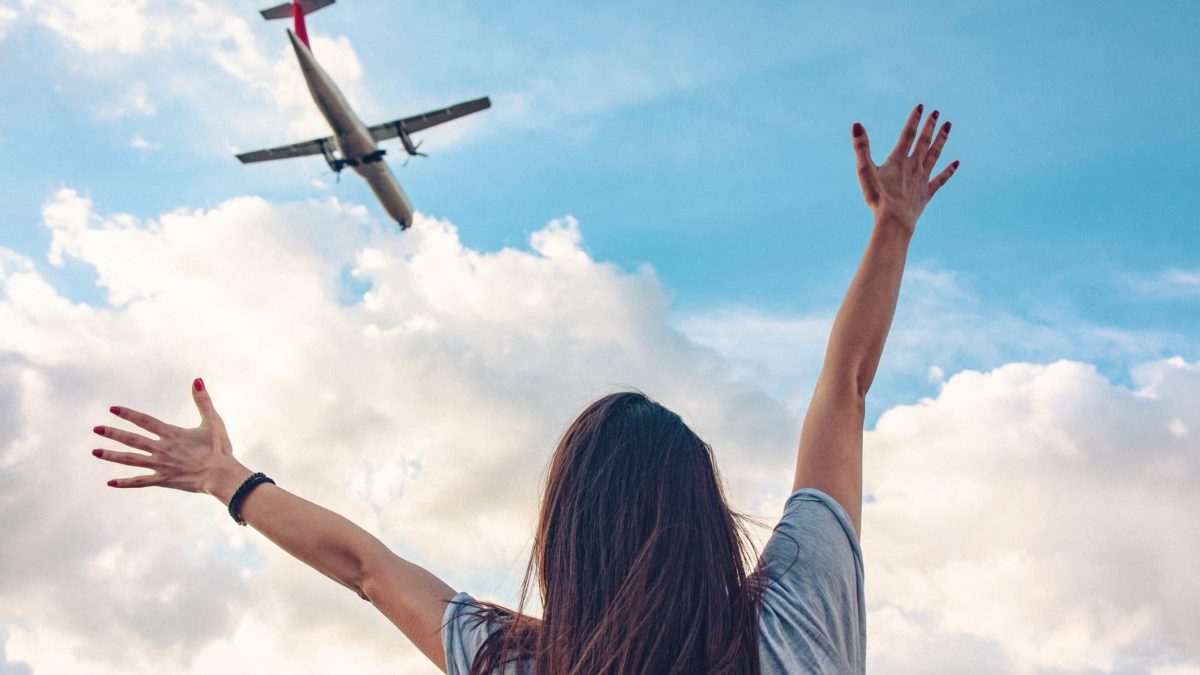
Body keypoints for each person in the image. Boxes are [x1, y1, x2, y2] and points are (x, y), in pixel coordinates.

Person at [92, 104, 958, 674]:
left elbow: (367, 570)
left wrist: (228, 480)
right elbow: (842, 390)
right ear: (705, 510)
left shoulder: (517, 662)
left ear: (563, 534)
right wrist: (892, 229)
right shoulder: (798, 620)